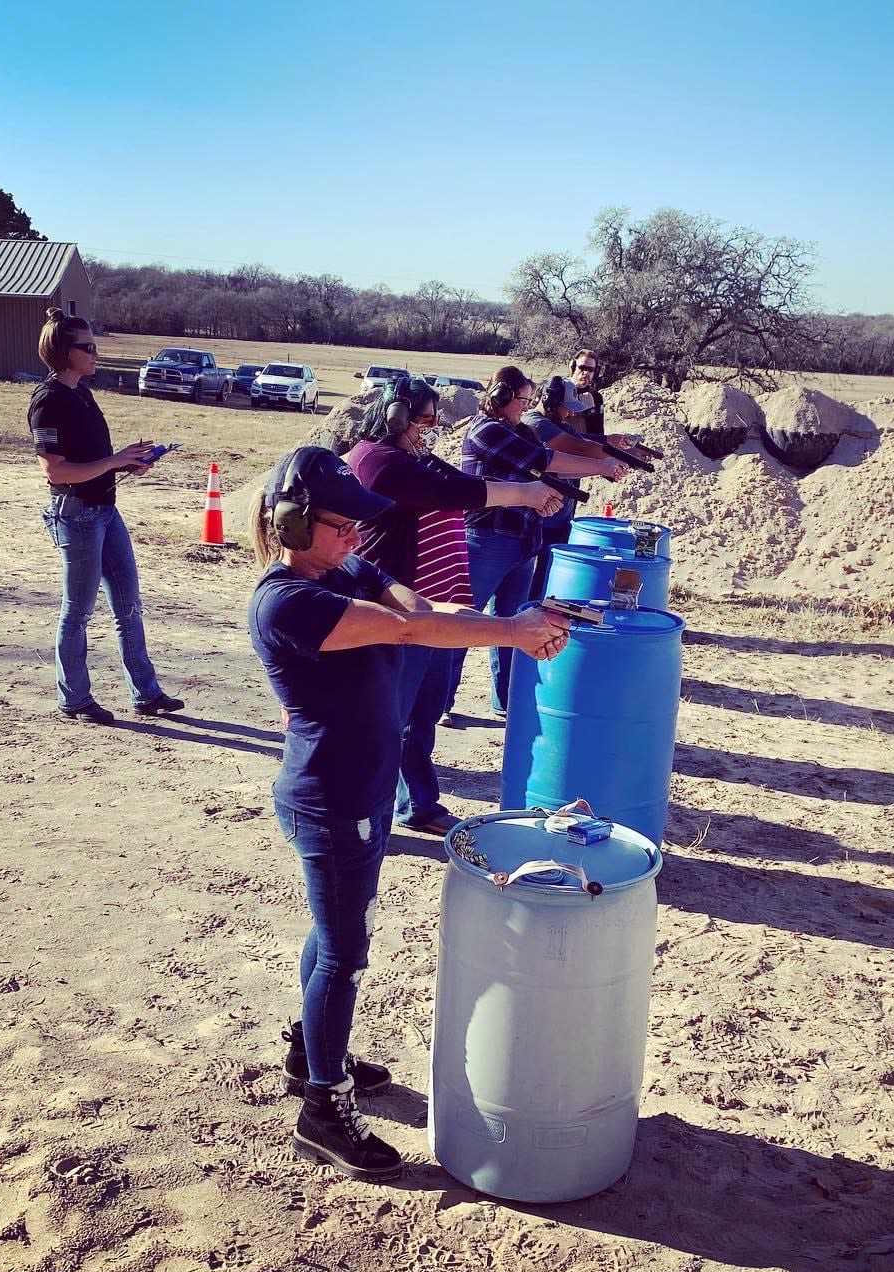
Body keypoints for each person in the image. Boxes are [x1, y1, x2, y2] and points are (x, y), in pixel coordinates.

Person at [247, 446, 570, 1180]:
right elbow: (405, 630)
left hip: (358, 792)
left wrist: (514, 622)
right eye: (339, 526)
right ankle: (321, 1108)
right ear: (292, 524)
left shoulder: (343, 570)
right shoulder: (288, 601)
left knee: (331, 931)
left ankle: (310, 1050)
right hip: (331, 798)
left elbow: (422, 611)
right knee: (344, 952)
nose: (353, 537)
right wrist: (510, 631)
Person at [346, 378, 561, 835]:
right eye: (423, 419)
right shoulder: (378, 460)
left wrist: (527, 487)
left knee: (421, 717)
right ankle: (365, 822)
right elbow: (452, 493)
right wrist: (523, 493)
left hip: (435, 611)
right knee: (387, 724)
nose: (429, 428)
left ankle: (417, 805)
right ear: (396, 418)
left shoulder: (409, 456)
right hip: (400, 616)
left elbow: (461, 481)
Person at [29, 307, 183, 725]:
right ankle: (74, 699)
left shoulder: (82, 393)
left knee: (128, 605)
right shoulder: (47, 402)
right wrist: (114, 460)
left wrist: (127, 462)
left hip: (105, 510)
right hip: (76, 513)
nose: (96, 353)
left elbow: (92, 460)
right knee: (77, 612)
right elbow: (56, 471)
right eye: (88, 348)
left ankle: (146, 694)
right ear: (64, 352)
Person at [459, 365, 629, 716]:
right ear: (500, 396)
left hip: (521, 542)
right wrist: (601, 465)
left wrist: (549, 497)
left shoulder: (518, 430)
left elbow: (550, 467)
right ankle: (439, 704)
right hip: (488, 540)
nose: (526, 406)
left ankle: (506, 702)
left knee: (514, 629)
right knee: (461, 624)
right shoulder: (486, 430)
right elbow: (544, 459)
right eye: (521, 400)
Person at [521, 374, 637, 600]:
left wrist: (622, 451)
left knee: (545, 576)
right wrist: (615, 459)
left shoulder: (558, 424)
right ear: (550, 402)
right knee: (528, 580)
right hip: (541, 515)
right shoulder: (536, 423)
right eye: (566, 408)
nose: (571, 414)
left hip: (558, 514)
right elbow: (578, 448)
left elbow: (587, 442)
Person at [568, 349, 606, 437]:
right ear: (573, 367)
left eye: (591, 370)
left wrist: (591, 412)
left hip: (581, 443)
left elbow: (598, 433)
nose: (586, 373)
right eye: (582, 368)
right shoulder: (558, 389)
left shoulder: (596, 397)